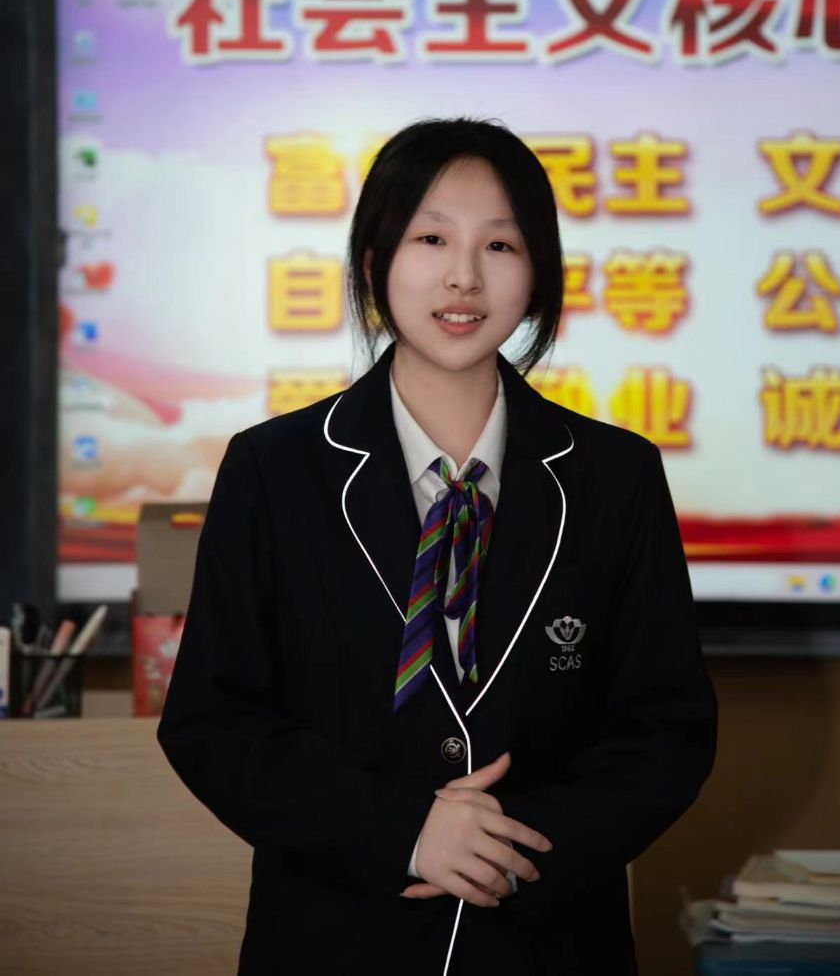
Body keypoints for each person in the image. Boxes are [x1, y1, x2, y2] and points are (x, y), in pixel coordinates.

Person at [157, 115, 717, 975]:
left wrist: (510, 848)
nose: (464, 275)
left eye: (500, 244)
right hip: (335, 942)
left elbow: (666, 729)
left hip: (549, 942)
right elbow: (215, 721)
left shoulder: (617, 475)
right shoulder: (274, 468)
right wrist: (406, 829)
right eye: (431, 238)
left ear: (538, 272)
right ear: (373, 263)